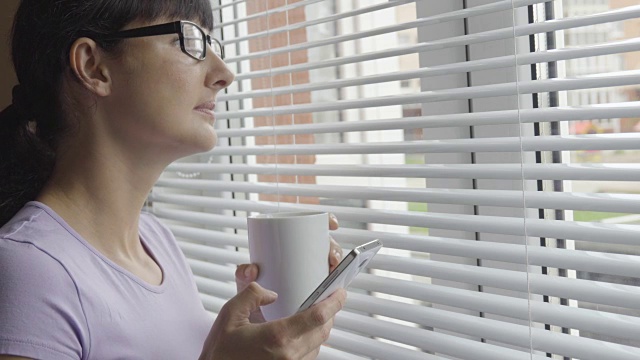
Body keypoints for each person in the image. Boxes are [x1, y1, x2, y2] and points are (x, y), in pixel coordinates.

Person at [0, 1, 346, 359]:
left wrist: (266, 331)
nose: (225, 74)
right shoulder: (29, 272)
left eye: (214, 44)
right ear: (94, 67)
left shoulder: (157, 242)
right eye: (190, 40)